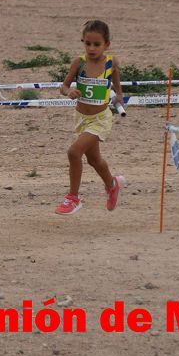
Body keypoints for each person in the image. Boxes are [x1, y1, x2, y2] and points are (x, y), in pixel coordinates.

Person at [55, 19, 127, 215]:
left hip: (101, 119)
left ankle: (73, 198)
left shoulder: (111, 63)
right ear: (83, 42)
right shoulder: (79, 63)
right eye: (88, 43)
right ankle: (112, 185)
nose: (92, 48)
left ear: (107, 45)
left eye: (97, 44)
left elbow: (116, 83)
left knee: (73, 152)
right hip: (81, 118)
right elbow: (63, 86)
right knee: (94, 160)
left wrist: (119, 96)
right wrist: (68, 91)